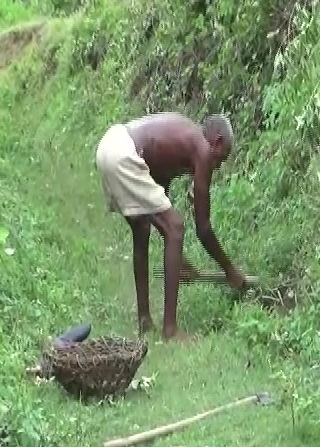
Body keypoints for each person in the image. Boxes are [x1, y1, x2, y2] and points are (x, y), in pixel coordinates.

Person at [94, 112, 250, 342]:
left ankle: (145, 321)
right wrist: (229, 270)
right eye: (221, 158)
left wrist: (179, 261)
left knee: (142, 228)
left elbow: (158, 195)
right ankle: (170, 330)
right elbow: (203, 228)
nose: (216, 166)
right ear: (216, 141)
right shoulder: (202, 148)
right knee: (176, 227)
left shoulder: (180, 143)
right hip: (124, 153)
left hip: (109, 146)